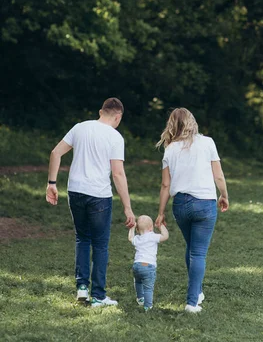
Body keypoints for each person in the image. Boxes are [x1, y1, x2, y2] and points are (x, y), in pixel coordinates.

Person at [45, 97, 136, 307]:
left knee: (82, 239)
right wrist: (127, 207)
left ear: (100, 111)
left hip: (75, 191)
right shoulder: (115, 137)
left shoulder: (80, 128)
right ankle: (98, 295)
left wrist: (51, 183)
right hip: (99, 195)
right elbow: (118, 173)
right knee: (101, 245)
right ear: (118, 116)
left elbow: (55, 153)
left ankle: (82, 289)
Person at [155, 108, 229, 313]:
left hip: (180, 205)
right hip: (204, 204)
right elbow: (219, 175)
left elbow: (165, 185)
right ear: (192, 122)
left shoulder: (169, 149)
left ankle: (196, 292)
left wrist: (161, 212)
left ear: (172, 125)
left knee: (191, 247)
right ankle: (191, 302)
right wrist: (224, 195)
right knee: (197, 252)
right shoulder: (207, 143)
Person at [128, 215, 169, 311]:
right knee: (148, 287)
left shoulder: (137, 238)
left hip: (136, 265)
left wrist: (132, 228)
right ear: (151, 228)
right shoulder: (152, 236)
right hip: (148, 266)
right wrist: (161, 226)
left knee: (138, 282)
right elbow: (165, 236)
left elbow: (130, 238)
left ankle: (140, 298)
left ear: (137, 229)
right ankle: (148, 306)